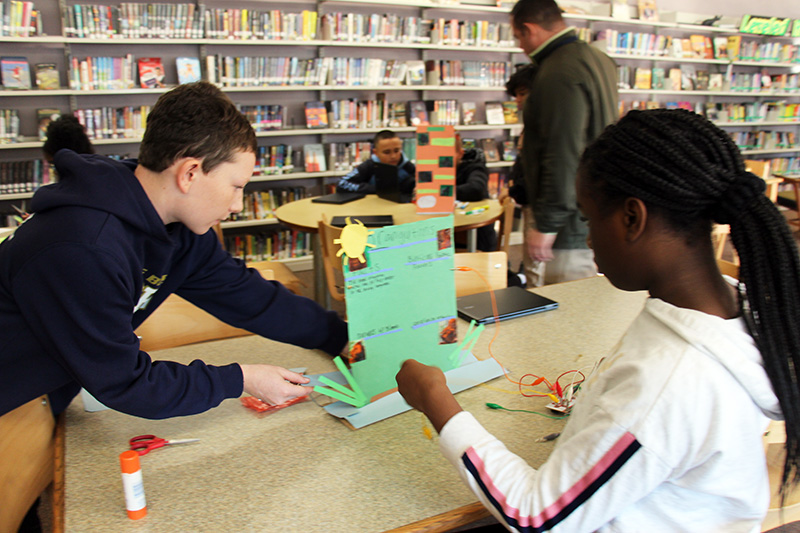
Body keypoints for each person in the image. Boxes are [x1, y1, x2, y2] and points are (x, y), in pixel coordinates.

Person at [396, 109, 800, 531]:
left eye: (589, 219)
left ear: (632, 218)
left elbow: (535, 515)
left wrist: (435, 399)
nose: (588, 238)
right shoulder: (735, 311)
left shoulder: (669, 379)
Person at [0, 81, 348, 422]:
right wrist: (241, 379)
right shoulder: (83, 247)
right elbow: (127, 382)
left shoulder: (178, 229)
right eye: (236, 187)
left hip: (43, 404)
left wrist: (342, 339)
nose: (237, 206)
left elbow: (250, 297)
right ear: (190, 173)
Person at [512, 0, 618, 285]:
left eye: (518, 36)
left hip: (567, 224)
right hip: (591, 210)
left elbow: (564, 151)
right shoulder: (598, 59)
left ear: (529, 29)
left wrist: (546, 225)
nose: (521, 46)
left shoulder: (557, 71)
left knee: (560, 307)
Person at [502, 64, 542, 286]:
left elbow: (533, 170)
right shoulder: (530, 125)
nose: (517, 101)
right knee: (531, 263)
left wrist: (514, 189)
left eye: (523, 94)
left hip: (537, 205)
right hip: (528, 202)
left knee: (535, 265)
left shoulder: (543, 126)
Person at [336, 129, 415, 196]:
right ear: (376, 153)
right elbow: (342, 184)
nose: (393, 156)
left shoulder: (407, 166)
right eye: (387, 152)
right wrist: (375, 189)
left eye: (397, 151)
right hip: (373, 207)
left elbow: (424, 184)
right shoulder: (369, 166)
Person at [454, 133, 496, 252]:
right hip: (447, 235)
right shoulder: (433, 170)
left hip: (477, 240)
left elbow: (476, 189)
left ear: (460, 154)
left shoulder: (475, 166)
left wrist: (441, 192)